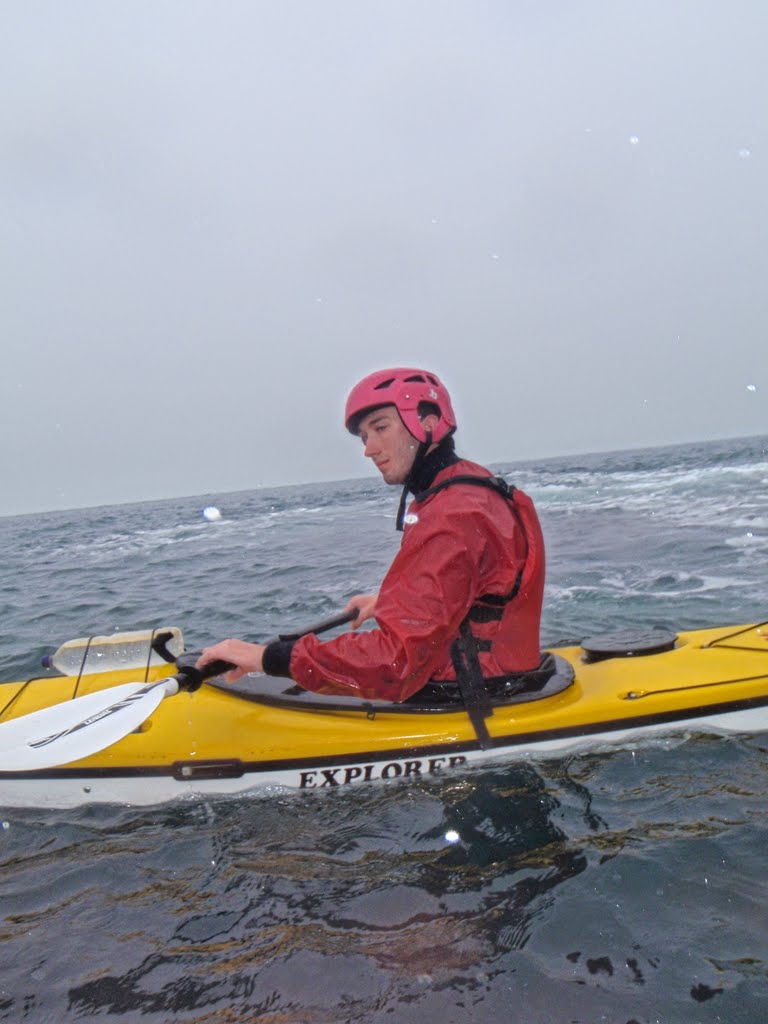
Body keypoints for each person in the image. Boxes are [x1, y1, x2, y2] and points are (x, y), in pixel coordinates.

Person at [197, 368, 546, 728]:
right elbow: (481, 586)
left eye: (381, 428)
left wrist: (268, 658)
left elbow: (395, 663)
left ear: (429, 423)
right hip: (499, 675)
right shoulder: (470, 489)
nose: (369, 449)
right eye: (364, 437)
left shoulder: (453, 513)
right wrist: (392, 604)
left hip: (473, 695)